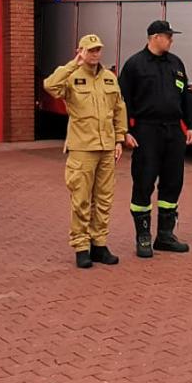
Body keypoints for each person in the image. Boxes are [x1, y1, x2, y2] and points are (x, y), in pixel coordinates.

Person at [43, 33, 127, 268]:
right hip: (82, 148)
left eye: (97, 50)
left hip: (106, 148)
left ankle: (99, 245)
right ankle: (81, 246)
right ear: (80, 51)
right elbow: (49, 85)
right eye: (90, 50)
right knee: (81, 199)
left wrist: (119, 139)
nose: (95, 54)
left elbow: (120, 109)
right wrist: (73, 64)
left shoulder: (110, 78)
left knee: (103, 199)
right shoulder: (71, 77)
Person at [117, 20, 192, 258]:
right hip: (146, 131)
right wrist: (125, 131)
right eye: (168, 36)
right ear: (154, 37)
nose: (171, 40)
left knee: (173, 182)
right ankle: (143, 237)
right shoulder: (135, 65)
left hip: (173, 131)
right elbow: (123, 102)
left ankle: (165, 235)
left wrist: (191, 126)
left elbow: (185, 99)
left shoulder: (176, 63)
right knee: (144, 182)